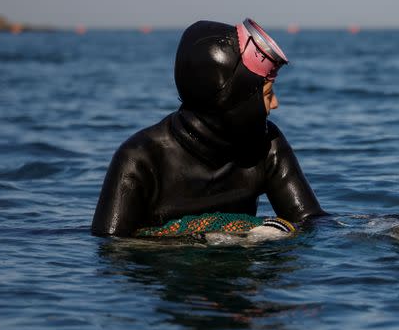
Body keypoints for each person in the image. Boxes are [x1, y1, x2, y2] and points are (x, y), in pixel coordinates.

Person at [92, 19, 325, 237]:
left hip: (239, 275)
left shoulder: (267, 144)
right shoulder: (139, 159)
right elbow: (111, 251)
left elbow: (313, 224)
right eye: (267, 94)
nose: (275, 104)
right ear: (232, 98)